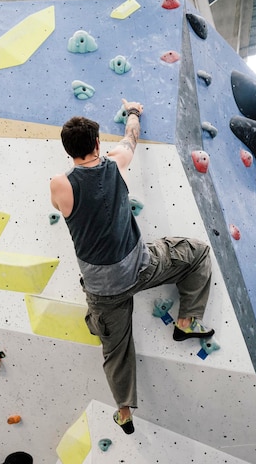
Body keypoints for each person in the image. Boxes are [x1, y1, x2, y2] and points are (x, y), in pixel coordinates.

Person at [50, 99, 214, 435]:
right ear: (97, 143)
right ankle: (187, 320)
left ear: (68, 150)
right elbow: (131, 137)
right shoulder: (115, 163)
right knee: (196, 253)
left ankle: (124, 411)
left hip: (101, 290)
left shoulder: (60, 184)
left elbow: (65, 205)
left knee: (116, 350)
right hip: (140, 268)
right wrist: (134, 112)